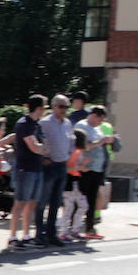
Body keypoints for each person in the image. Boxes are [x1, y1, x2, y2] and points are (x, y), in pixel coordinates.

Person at [8, 94, 48, 249]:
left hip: (37, 168)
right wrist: (41, 148)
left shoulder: (37, 125)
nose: (45, 110)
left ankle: (26, 235)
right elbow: (35, 147)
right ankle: (12, 236)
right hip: (25, 169)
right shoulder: (24, 124)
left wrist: (41, 148)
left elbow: (44, 147)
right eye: (44, 107)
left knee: (31, 203)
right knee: (20, 203)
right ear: (38, 108)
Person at [34, 94, 74, 246]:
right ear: (53, 106)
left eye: (66, 107)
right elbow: (37, 140)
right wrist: (43, 158)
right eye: (60, 106)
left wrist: (68, 154)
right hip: (49, 166)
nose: (63, 110)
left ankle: (52, 233)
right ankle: (39, 234)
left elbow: (71, 141)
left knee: (56, 202)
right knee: (42, 201)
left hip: (62, 165)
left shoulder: (68, 123)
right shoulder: (44, 123)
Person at [73, 106, 115, 238]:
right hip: (86, 169)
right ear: (94, 115)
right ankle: (74, 227)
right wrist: (101, 141)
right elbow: (82, 145)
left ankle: (90, 228)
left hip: (96, 169)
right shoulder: (82, 125)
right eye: (100, 119)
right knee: (80, 199)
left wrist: (107, 141)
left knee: (92, 199)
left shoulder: (97, 128)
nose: (100, 122)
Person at [59, 128, 91, 241]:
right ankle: (63, 232)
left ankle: (74, 230)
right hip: (69, 182)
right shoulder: (72, 152)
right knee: (69, 208)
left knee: (83, 205)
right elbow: (66, 168)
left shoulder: (78, 151)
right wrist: (80, 167)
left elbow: (74, 166)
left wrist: (83, 164)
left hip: (76, 181)